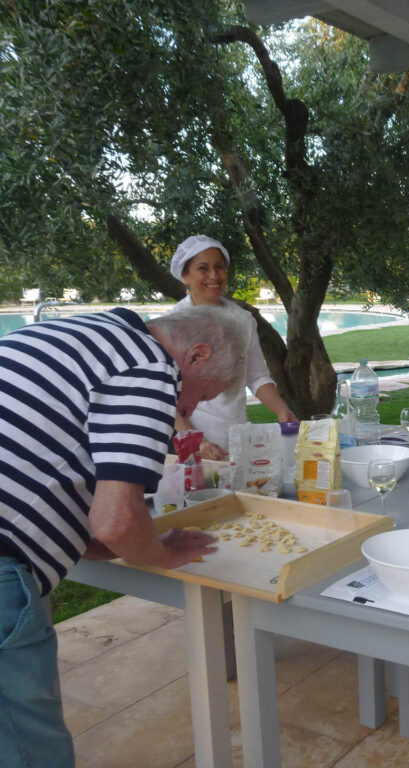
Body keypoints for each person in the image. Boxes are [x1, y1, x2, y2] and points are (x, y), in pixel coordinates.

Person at [0, 304, 250, 768]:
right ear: (195, 356)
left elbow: (52, 452)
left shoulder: (96, 330)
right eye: (196, 397)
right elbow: (116, 520)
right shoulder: (150, 367)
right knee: (24, 741)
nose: (187, 409)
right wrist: (159, 553)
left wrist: (90, 542)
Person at [169, 235, 296, 459]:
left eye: (219, 267)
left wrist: (282, 410)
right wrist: (195, 441)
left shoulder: (242, 320)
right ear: (184, 275)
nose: (214, 276)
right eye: (203, 268)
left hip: (234, 440)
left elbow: (256, 377)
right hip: (187, 445)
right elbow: (164, 394)